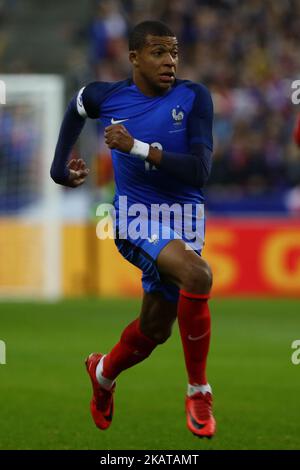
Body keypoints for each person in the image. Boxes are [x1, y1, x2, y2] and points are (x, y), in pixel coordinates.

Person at [51, 20, 216, 438]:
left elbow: (199, 172)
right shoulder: (107, 96)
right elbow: (75, 107)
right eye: (159, 52)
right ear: (135, 58)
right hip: (133, 220)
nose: (170, 62)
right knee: (198, 274)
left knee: (155, 330)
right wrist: (58, 167)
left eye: (175, 53)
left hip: (185, 222)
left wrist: (137, 147)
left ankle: (103, 373)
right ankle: (199, 391)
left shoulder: (194, 97)